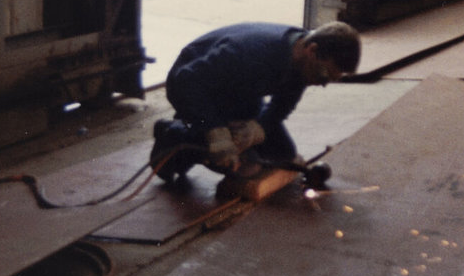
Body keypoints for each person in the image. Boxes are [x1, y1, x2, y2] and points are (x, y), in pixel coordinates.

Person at [150, 21, 362, 183]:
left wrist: (258, 128)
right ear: (312, 50)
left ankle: (205, 136)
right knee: (244, 167)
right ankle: (174, 136)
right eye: (324, 75)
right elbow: (187, 81)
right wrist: (215, 132)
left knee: (283, 154)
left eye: (331, 79)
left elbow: (282, 105)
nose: (323, 83)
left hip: (240, 94)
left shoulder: (304, 61)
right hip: (194, 90)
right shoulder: (251, 53)